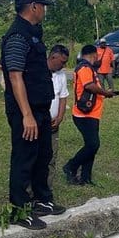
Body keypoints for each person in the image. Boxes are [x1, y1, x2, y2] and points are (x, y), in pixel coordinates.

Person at [2, 0, 66, 229]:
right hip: (24, 111)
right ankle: (19, 210)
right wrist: (27, 115)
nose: (44, 11)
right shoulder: (17, 36)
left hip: (39, 108)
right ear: (33, 6)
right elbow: (15, 76)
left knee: (43, 155)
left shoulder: (33, 33)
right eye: (43, 6)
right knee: (24, 158)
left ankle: (42, 200)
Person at [63, 45, 118, 185]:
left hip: (93, 114)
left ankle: (86, 178)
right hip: (84, 115)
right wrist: (105, 92)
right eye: (97, 56)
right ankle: (71, 166)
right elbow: (89, 86)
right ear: (94, 55)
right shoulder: (85, 68)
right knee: (93, 145)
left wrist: (106, 93)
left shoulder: (89, 68)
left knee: (91, 145)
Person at [46, 44, 70, 189]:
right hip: (38, 123)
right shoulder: (39, 71)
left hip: (54, 124)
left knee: (51, 158)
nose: (64, 65)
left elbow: (63, 97)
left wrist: (60, 117)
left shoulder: (61, 76)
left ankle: (47, 189)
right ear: (53, 57)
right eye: (62, 62)